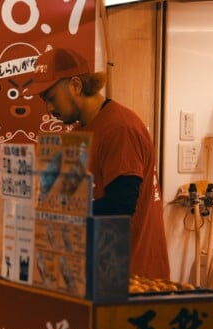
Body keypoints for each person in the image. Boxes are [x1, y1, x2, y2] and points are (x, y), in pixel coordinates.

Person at [26, 47, 170, 280]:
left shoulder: (119, 128)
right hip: (103, 268)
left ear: (75, 85)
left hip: (134, 273)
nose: (49, 109)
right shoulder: (82, 128)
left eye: (51, 98)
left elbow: (121, 205)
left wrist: (58, 214)